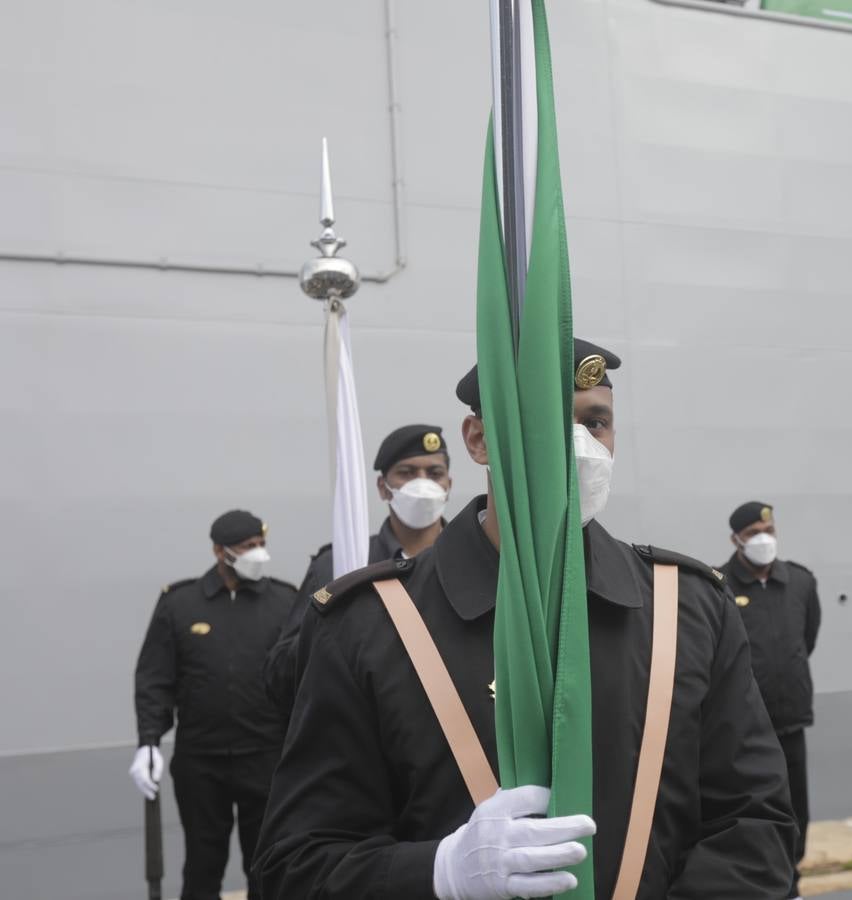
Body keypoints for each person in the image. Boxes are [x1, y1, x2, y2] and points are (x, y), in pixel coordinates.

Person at [254, 339, 796, 899]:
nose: (580, 445)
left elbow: (754, 825)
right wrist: (436, 874)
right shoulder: (369, 624)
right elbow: (296, 865)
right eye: (545, 418)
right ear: (480, 439)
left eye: (597, 423)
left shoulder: (687, 610)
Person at [131, 510, 296, 900]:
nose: (258, 554)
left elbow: (303, 677)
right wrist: (148, 740)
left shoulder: (284, 601)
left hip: (267, 757)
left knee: (267, 863)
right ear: (220, 552)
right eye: (247, 547)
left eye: (261, 545)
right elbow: (155, 677)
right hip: (201, 762)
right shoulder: (181, 603)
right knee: (203, 863)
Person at [264, 424, 452, 714]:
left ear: (448, 485)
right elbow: (279, 678)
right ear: (382, 487)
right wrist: (329, 628)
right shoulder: (339, 565)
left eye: (434, 473)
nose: (422, 483)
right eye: (407, 472)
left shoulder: (473, 560)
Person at [722, 500, 820, 900]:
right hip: (745, 729)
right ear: (736, 540)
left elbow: (807, 638)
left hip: (791, 719)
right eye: (752, 534)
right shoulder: (720, 584)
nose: (763, 540)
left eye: (768, 531)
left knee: (797, 809)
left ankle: (790, 883)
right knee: (751, 810)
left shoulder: (800, 582)